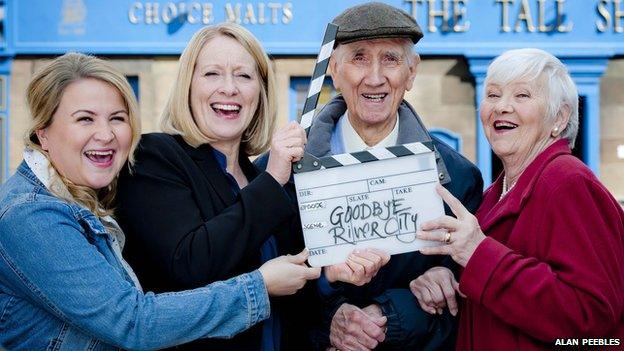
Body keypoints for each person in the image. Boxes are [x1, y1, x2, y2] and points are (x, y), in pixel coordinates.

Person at [0, 52, 320, 351]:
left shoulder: (87, 202)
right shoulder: (31, 214)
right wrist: (258, 286)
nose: (106, 134)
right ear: (43, 133)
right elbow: (134, 322)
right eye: (85, 119)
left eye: (117, 118)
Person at [115, 23, 384, 351]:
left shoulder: (260, 179)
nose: (229, 88)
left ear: (260, 92)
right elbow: (188, 266)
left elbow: (286, 292)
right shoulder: (155, 157)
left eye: (244, 76)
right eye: (212, 74)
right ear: (188, 86)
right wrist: (272, 181)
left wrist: (328, 277)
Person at [260, 3, 483, 350]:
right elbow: (260, 291)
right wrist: (329, 316)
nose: (375, 77)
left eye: (391, 59)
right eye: (359, 58)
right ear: (334, 69)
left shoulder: (458, 177)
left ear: (411, 72)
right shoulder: (278, 173)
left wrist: (395, 311)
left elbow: (464, 306)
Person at [416, 48, 624, 350]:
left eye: (522, 96)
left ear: (560, 117)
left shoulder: (569, 182)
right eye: (493, 95)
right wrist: (444, 278)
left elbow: (593, 316)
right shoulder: (492, 196)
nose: (502, 107)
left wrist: (478, 254)